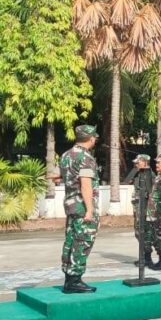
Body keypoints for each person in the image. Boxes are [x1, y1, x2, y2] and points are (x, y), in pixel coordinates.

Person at [60, 124, 100, 294]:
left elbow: (66, 176)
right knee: (83, 241)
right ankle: (75, 279)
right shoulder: (85, 158)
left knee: (71, 240)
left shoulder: (66, 155)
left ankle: (69, 278)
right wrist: (90, 210)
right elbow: (85, 184)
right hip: (82, 206)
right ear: (91, 139)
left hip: (71, 204)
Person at [123, 153, 156, 266]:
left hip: (145, 207)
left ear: (145, 162)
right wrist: (135, 169)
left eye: (138, 162)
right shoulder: (138, 173)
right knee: (138, 232)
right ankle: (143, 256)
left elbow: (150, 192)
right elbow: (126, 181)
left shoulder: (149, 174)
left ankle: (147, 258)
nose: (136, 164)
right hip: (137, 207)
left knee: (145, 232)